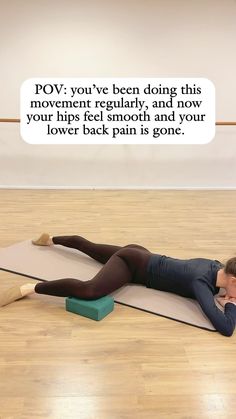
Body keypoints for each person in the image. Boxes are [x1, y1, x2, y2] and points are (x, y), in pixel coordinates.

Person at [1, 233, 236, 337]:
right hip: (132, 265)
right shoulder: (200, 282)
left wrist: (226, 292)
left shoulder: (214, 265)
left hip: (141, 253)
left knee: (91, 248)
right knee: (89, 290)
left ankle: (50, 239)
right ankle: (30, 288)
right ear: (233, 279)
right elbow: (225, 328)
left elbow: (221, 284)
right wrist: (231, 304)